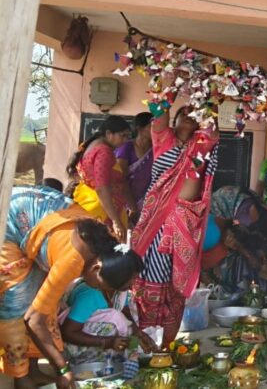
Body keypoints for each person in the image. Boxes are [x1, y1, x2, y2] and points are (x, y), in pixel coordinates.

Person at [0, 186, 144, 389]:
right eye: (105, 287)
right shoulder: (72, 261)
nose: (102, 291)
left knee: (45, 302)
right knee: (16, 303)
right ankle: (21, 379)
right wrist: (63, 369)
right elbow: (33, 320)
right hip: (8, 219)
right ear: (95, 269)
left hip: (40, 217)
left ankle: (33, 371)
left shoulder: (109, 246)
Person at [131, 104, 219, 347]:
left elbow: (212, 129)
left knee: (177, 288)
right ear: (175, 120)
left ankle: (166, 344)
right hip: (159, 222)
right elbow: (160, 112)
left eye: (196, 116)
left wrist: (211, 92)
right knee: (155, 279)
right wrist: (167, 84)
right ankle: (147, 342)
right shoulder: (163, 138)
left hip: (186, 223)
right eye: (185, 115)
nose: (190, 118)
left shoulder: (201, 146)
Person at [61, 258, 156, 367]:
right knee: (112, 327)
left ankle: (113, 362)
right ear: (116, 277)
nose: (132, 285)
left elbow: (126, 313)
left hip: (93, 335)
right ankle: (85, 364)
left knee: (127, 327)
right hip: (72, 343)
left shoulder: (119, 291)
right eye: (130, 279)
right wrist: (108, 342)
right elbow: (68, 333)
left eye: (134, 278)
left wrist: (138, 333)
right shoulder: (90, 295)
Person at [204, 186, 267, 293]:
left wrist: (263, 258)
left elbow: (256, 241)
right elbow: (234, 237)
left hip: (228, 223)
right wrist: (249, 256)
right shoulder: (243, 219)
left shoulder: (262, 210)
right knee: (233, 251)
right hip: (211, 218)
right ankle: (219, 286)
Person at [68, 115, 136, 240]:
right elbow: (102, 188)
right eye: (123, 135)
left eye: (127, 136)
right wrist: (116, 221)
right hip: (101, 211)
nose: (126, 140)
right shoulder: (104, 152)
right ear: (109, 133)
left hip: (85, 202)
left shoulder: (91, 145)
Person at [115, 112, 154, 214]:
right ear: (140, 129)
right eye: (152, 126)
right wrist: (133, 207)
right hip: (123, 202)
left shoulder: (155, 150)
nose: (156, 129)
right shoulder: (126, 147)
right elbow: (121, 179)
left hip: (144, 204)